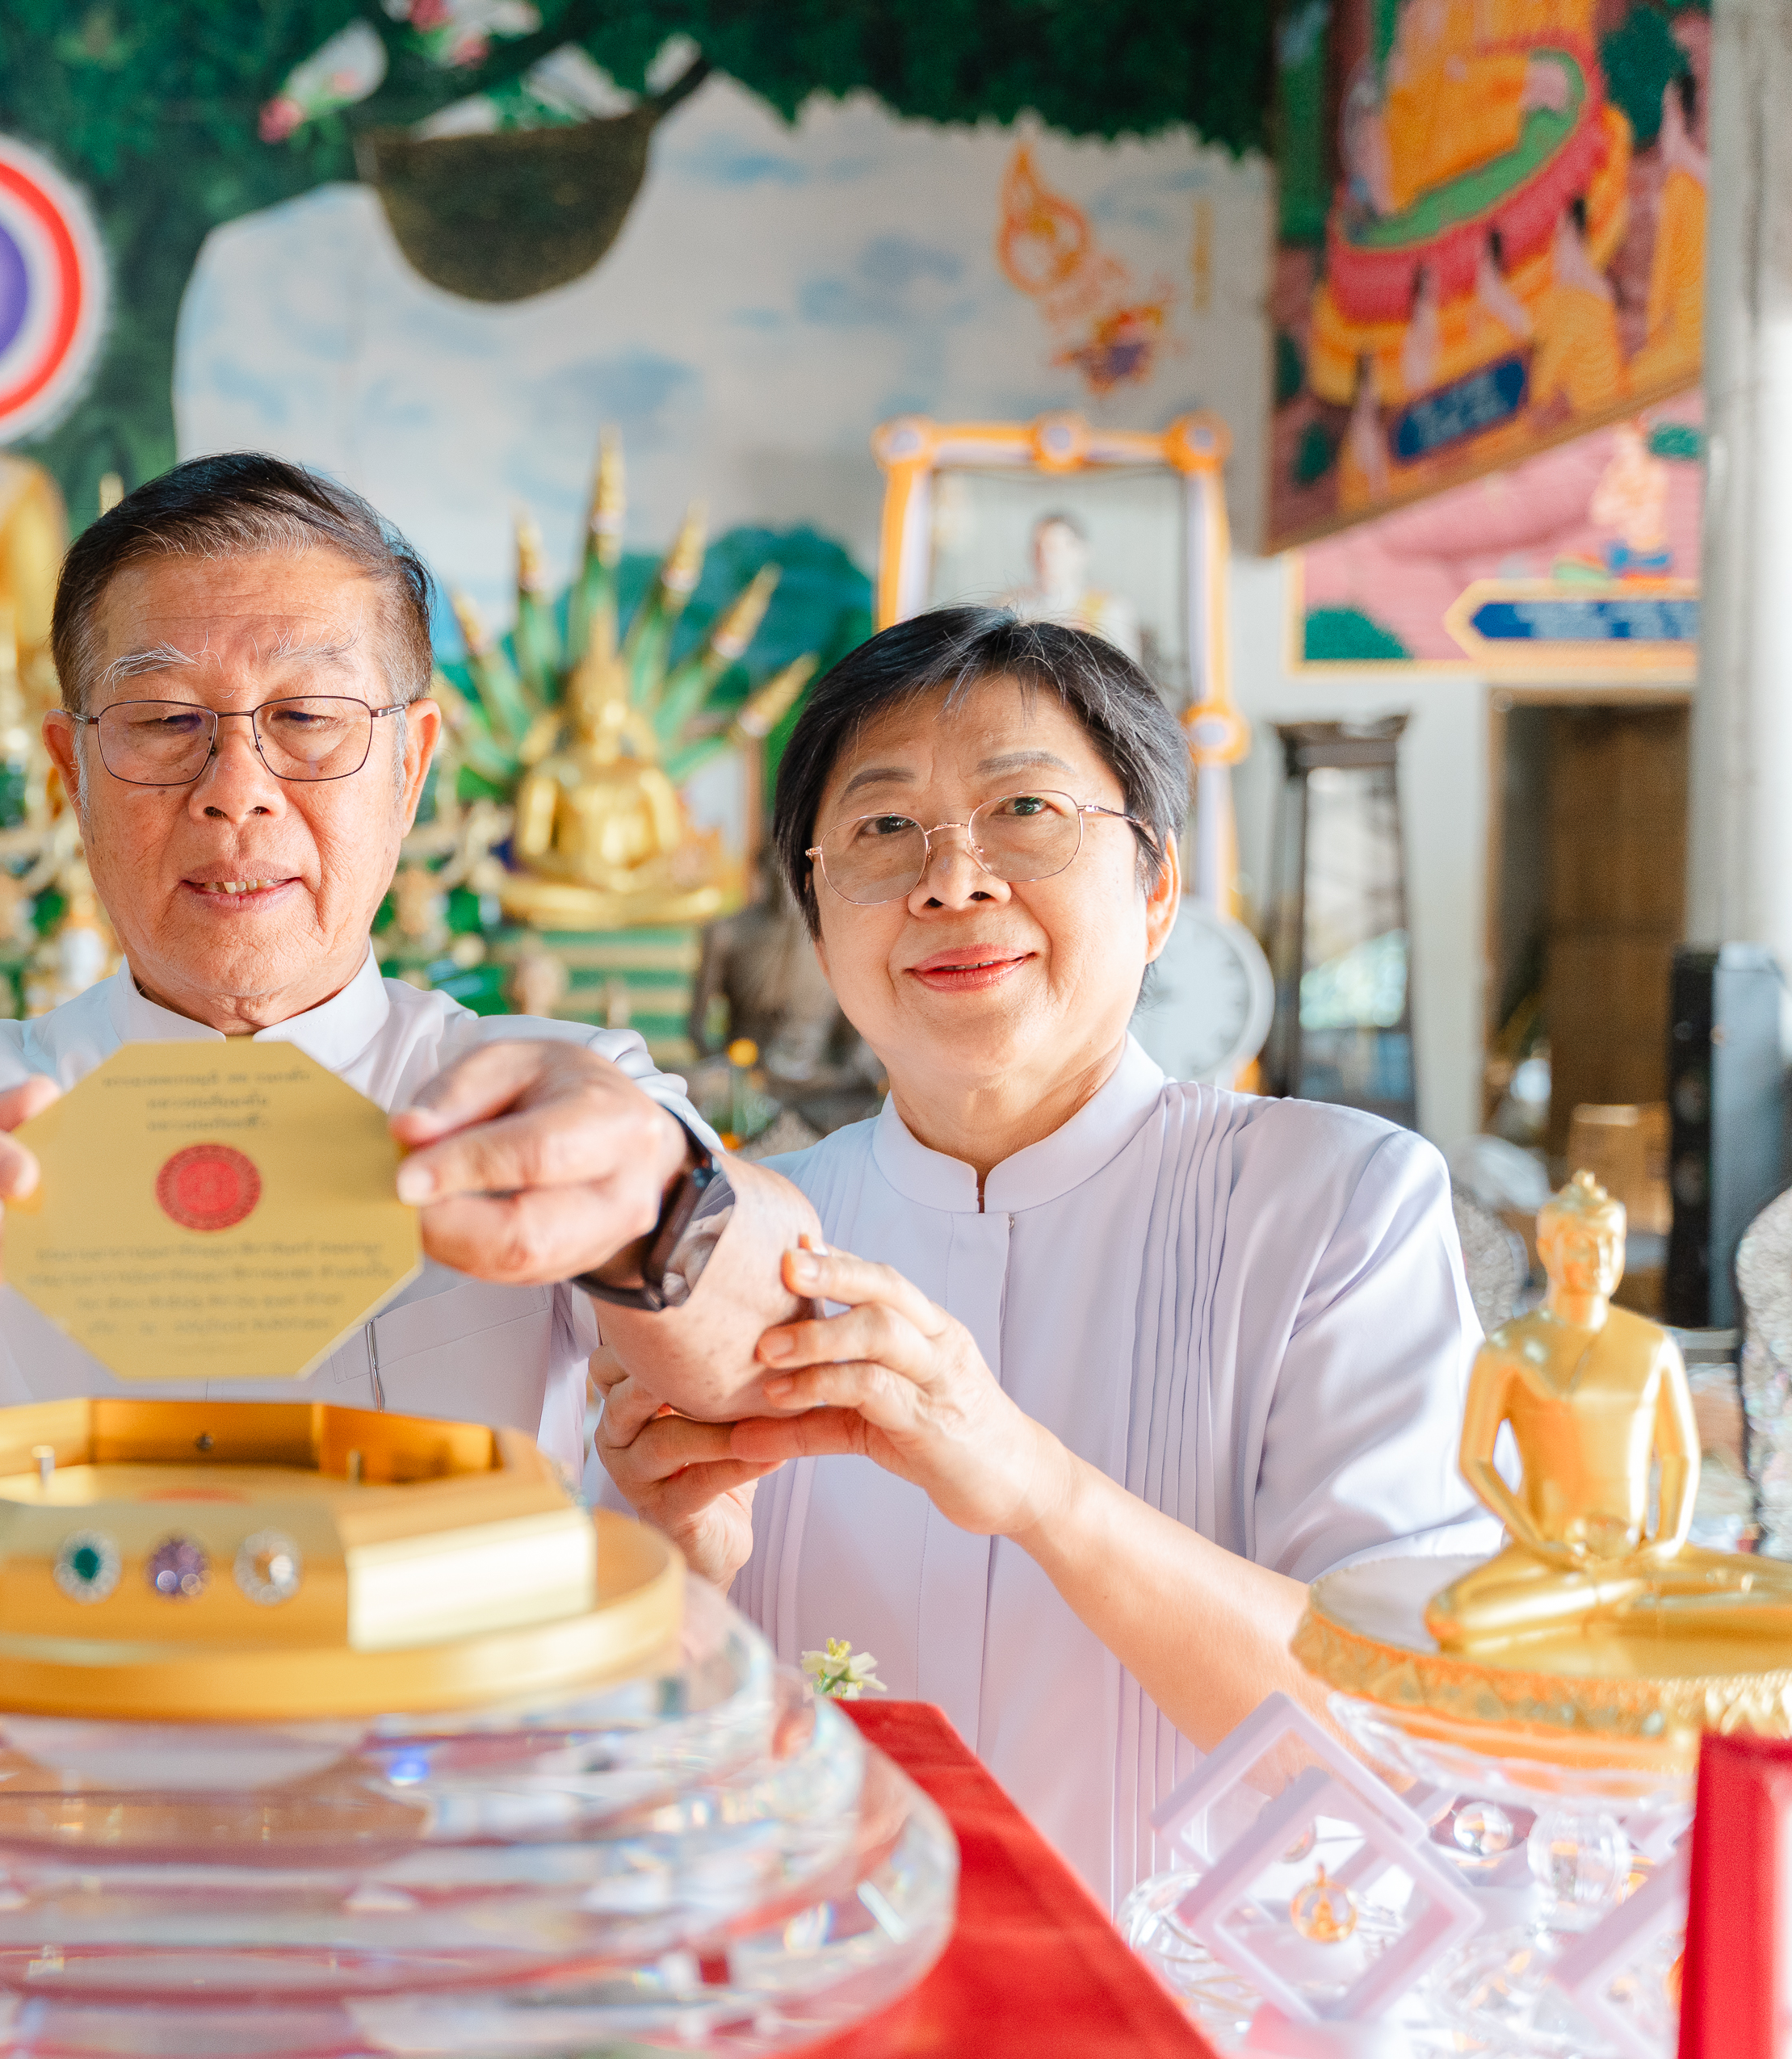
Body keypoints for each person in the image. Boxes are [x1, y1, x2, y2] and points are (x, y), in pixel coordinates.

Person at [0, 454, 819, 1539]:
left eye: (307, 718)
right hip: (52, 1747)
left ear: (410, 767)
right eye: (165, 724)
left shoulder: (561, 1097)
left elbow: (759, 1337)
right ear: (71, 773)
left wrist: (654, 1189)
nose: (236, 791)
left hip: (429, 1749)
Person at [594, 606, 1487, 1902]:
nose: (953, 882)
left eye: (1026, 814)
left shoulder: (1336, 1204)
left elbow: (1411, 1739)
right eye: (884, 830)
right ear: (818, 913)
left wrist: (1033, 1487)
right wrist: (686, 1571)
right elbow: (623, 1788)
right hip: (834, 2014)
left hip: (1216, 2044)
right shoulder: (741, 1242)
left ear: (1159, 886)